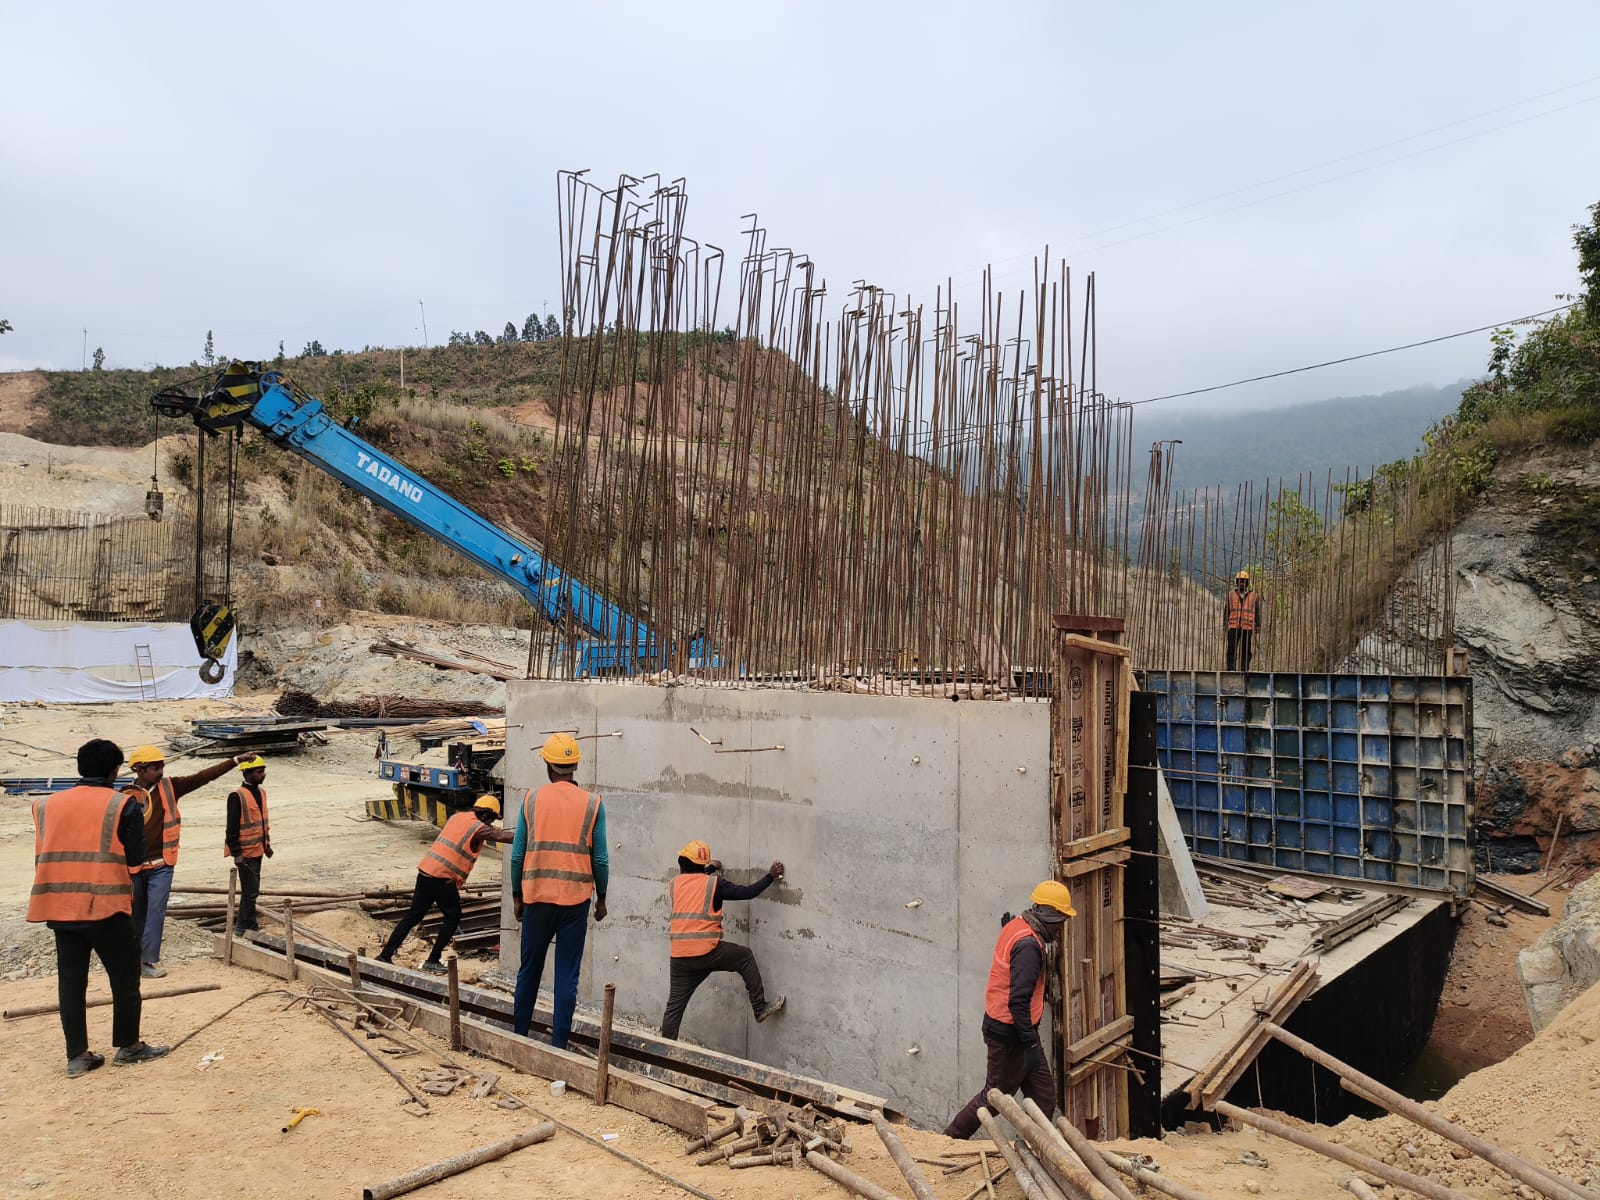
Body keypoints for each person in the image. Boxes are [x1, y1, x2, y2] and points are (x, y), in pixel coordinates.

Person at [27, 738, 171, 1077]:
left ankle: (77, 1057)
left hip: (59, 906)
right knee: (124, 978)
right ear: (115, 771)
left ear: (80, 768)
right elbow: (135, 858)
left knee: (71, 984)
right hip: (105, 907)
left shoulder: (44, 805)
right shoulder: (121, 805)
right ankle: (129, 1046)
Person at [944, 880, 1076, 1139]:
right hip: (1010, 1034)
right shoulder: (1028, 946)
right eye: (1060, 921)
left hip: (1020, 1031)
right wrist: (1030, 1045)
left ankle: (1035, 1147)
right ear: (1048, 916)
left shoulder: (1017, 926)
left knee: (1043, 1097)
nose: (1061, 928)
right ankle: (950, 1139)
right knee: (995, 1097)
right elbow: (1018, 1001)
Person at [124, 745, 255, 979]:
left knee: (156, 913)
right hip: (133, 866)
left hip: (162, 864)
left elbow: (203, 777)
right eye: (155, 768)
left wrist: (234, 760)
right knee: (136, 915)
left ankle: (146, 961)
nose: (160, 772)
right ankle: (132, 960)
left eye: (162, 766)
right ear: (139, 770)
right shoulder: (125, 795)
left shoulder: (170, 787)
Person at [511, 733, 608, 1048]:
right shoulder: (593, 803)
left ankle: (519, 1037)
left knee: (529, 970)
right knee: (567, 976)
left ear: (548, 766)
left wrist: (516, 896)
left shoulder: (532, 799)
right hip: (575, 902)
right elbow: (601, 859)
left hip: (537, 898)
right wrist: (602, 898)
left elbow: (517, 854)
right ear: (575, 765)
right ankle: (559, 1046)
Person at [661, 839, 787, 1039]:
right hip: (707, 952)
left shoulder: (674, 884)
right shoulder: (714, 884)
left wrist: (711, 867)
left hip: (680, 957)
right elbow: (747, 892)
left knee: (673, 1010)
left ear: (682, 864)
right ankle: (759, 1007)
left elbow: (694, 880)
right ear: (702, 865)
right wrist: (770, 875)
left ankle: (663, 1049)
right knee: (744, 957)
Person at [375, 795, 513, 972]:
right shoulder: (479, 828)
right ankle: (433, 959)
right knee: (453, 917)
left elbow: (477, 832)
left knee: (413, 916)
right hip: (443, 879)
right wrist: (529, 835)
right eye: (491, 819)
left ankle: (385, 955)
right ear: (486, 815)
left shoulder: (457, 817)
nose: (490, 823)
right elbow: (501, 836)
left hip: (426, 871)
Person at [224, 755, 272, 938]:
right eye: (259, 772)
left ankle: (241, 928)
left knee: (250, 891)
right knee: (251, 891)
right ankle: (249, 927)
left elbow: (261, 822)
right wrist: (237, 853)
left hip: (258, 850)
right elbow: (231, 829)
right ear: (247, 773)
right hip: (245, 853)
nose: (263, 775)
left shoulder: (261, 793)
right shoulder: (237, 796)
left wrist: (267, 845)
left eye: (263, 771)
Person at [1225, 569, 1259, 671]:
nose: (1241, 584)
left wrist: (1257, 625)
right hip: (1233, 626)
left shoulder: (1253, 596)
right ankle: (1231, 668)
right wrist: (1225, 623)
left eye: (1243, 581)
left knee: (1246, 650)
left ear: (1247, 583)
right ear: (1236, 582)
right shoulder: (1231, 595)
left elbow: (1257, 612)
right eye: (1239, 581)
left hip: (1247, 626)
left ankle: (1244, 669)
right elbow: (1226, 610)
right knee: (1231, 649)